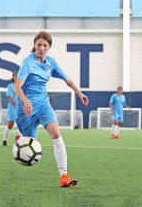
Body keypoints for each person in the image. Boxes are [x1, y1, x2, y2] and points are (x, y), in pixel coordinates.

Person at [14, 31, 89, 188]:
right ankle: (21, 138)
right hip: (25, 109)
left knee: (56, 134)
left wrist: (80, 93)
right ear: (34, 45)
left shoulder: (51, 62)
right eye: (39, 45)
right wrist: (26, 101)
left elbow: (68, 80)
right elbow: (17, 87)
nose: (41, 48)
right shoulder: (27, 62)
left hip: (43, 104)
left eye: (45, 45)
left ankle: (64, 176)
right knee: (31, 143)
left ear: (49, 47)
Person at [2, 71, 19, 146]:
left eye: (18, 76)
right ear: (13, 77)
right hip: (12, 108)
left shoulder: (23, 86)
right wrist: (17, 106)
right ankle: (4, 140)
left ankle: (19, 142)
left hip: (21, 109)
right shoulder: (10, 86)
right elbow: (10, 98)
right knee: (10, 125)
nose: (17, 77)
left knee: (21, 125)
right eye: (15, 76)